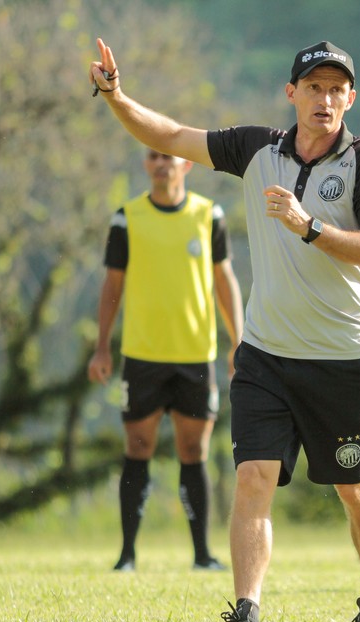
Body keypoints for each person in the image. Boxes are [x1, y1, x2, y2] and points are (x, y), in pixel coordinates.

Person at [89, 39, 360, 622]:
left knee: (355, 490)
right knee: (254, 475)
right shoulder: (259, 148)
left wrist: (308, 227)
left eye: (337, 90)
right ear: (292, 94)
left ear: (351, 98)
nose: (325, 99)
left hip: (340, 358)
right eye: (314, 88)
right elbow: (173, 134)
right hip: (265, 354)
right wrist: (115, 95)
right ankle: (247, 618)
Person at [87, 148, 244, 573]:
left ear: (186, 165)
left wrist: (238, 341)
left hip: (195, 355)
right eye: (154, 157)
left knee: (194, 450)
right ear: (145, 165)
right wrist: (102, 347)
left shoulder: (209, 215)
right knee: (138, 447)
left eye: (170, 157)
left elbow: (223, 279)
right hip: (142, 356)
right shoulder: (126, 217)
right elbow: (112, 284)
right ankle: (127, 555)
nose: (162, 164)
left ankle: (202, 555)